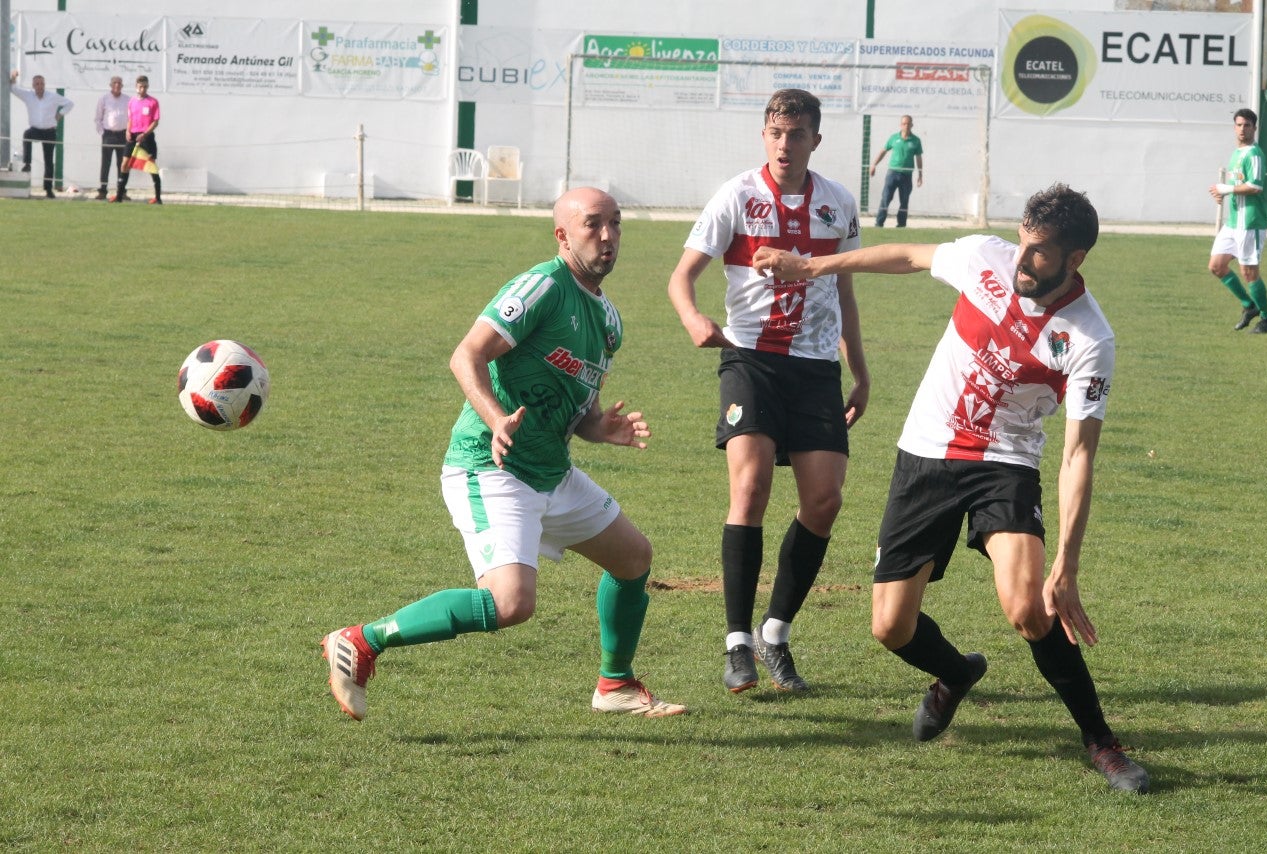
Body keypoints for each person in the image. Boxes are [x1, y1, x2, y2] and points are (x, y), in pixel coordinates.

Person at [752, 183, 1151, 793]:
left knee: (1029, 607)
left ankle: (1102, 743)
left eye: (1040, 253)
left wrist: (1065, 566)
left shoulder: (1090, 339)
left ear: (1075, 259)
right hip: (927, 454)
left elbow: (1077, 456)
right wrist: (813, 265)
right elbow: (908, 256)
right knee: (890, 627)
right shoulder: (986, 258)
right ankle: (956, 673)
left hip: (1006, 463)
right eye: (1022, 242)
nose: (1021, 260)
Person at [322, 187, 686, 721]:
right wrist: (496, 419)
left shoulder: (609, 322)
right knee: (511, 603)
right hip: (490, 466)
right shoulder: (541, 286)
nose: (607, 237)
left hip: (550, 473)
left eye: (615, 224)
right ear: (562, 235)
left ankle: (615, 684)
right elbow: (466, 355)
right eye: (592, 225)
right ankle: (360, 640)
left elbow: (579, 410)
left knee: (633, 558)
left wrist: (598, 428)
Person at [668, 88, 868, 694]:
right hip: (750, 359)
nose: (786, 144)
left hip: (814, 370)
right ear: (765, 136)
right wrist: (694, 319)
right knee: (750, 489)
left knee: (825, 500)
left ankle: (775, 633)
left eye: (798, 134)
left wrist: (859, 370)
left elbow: (847, 291)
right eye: (777, 133)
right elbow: (682, 278)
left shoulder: (838, 204)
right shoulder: (736, 195)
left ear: (815, 139)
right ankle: (736, 644)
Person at [1208, 108, 1267, 334]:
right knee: (1216, 266)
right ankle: (1249, 306)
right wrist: (1221, 192)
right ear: (1234, 127)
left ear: (1254, 128)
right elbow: (1236, 187)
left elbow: (1255, 186)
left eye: (1247, 125)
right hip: (1234, 221)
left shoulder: (1254, 154)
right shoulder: (1237, 153)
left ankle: (1266, 320)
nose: (1242, 129)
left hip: (1251, 222)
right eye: (1239, 125)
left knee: (1249, 272)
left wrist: (1226, 189)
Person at [9, 70, 74, 199]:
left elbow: (69, 104)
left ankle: (48, 189)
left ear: (44, 85)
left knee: (49, 161)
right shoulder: (28, 95)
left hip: (49, 131)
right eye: (37, 84)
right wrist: (13, 77)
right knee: (27, 134)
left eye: (41, 84)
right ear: (33, 86)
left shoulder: (52, 96)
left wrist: (60, 114)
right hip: (35, 130)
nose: (39, 86)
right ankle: (27, 163)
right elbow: (13, 89)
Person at [114, 75, 161, 204]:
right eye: (140, 87)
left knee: (152, 167)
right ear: (136, 87)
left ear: (148, 87)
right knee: (124, 164)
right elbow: (130, 119)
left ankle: (158, 197)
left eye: (145, 86)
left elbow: (155, 122)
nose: (143, 89)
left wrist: (145, 133)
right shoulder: (132, 102)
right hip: (133, 136)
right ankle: (119, 196)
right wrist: (128, 131)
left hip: (146, 137)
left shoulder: (153, 102)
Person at [869, 115, 923, 228]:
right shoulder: (894, 138)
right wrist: (874, 165)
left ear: (912, 125)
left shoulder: (916, 140)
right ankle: (879, 223)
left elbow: (918, 158)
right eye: (904, 123)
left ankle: (901, 225)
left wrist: (920, 174)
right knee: (886, 198)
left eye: (908, 123)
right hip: (892, 173)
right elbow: (883, 151)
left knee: (904, 201)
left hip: (907, 175)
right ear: (901, 125)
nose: (906, 126)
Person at [94, 76, 130, 201]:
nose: (117, 85)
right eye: (115, 83)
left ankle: (122, 191)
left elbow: (131, 117)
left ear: (122, 85)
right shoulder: (104, 99)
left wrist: (129, 133)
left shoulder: (127, 99)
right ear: (110, 85)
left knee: (123, 164)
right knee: (106, 164)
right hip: (108, 135)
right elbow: (98, 118)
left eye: (119, 83)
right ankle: (103, 191)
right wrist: (102, 133)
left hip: (123, 135)